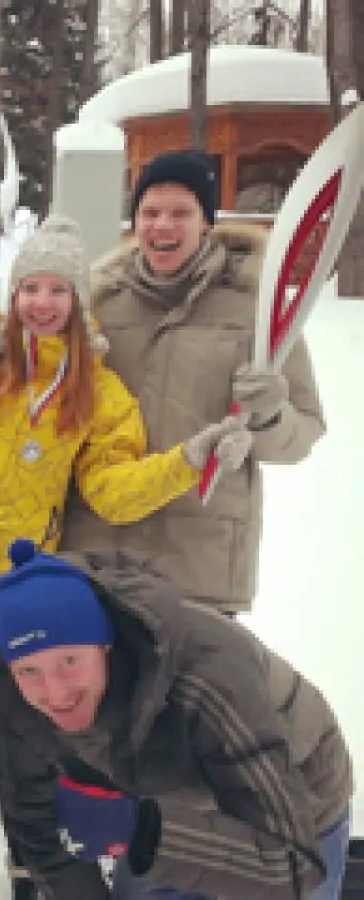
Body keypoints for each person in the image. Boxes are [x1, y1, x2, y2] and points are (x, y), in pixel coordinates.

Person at [0, 69, 255, 900]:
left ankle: (34, 858)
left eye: (55, 290)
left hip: (13, 579)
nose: (39, 303)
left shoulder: (98, 393)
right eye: (29, 287)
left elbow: (113, 490)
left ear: (76, 299)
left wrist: (190, 458)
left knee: (14, 734)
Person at [0, 538, 353, 900]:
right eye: (29, 670)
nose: (55, 693)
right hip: (162, 805)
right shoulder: (16, 700)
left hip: (290, 803)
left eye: (70, 661)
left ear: (105, 644)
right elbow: (40, 823)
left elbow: (293, 867)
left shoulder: (204, 680)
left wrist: (142, 832)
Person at [61, 148, 325, 614]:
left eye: (180, 212)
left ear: (206, 221)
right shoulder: (97, 303)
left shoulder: (256, 308)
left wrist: (269, 416)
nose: (162, 225)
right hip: (97, 555)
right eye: (150, 212)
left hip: (200, 564)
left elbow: (303, 434)